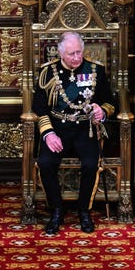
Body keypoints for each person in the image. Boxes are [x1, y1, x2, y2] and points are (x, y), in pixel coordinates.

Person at [32, 31, 116, 234]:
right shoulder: (47, 73)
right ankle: (56, 211)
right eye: (71, 54)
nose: (77, 58)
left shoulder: (96, 70)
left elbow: (110, 102)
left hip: (85, 129)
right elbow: (39, 107)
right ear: (60, 52)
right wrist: (48, 134)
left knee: (90, 164)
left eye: (79, 52)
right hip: (57, 129)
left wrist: (102, 111)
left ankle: (84, 211)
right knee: (45, 163)